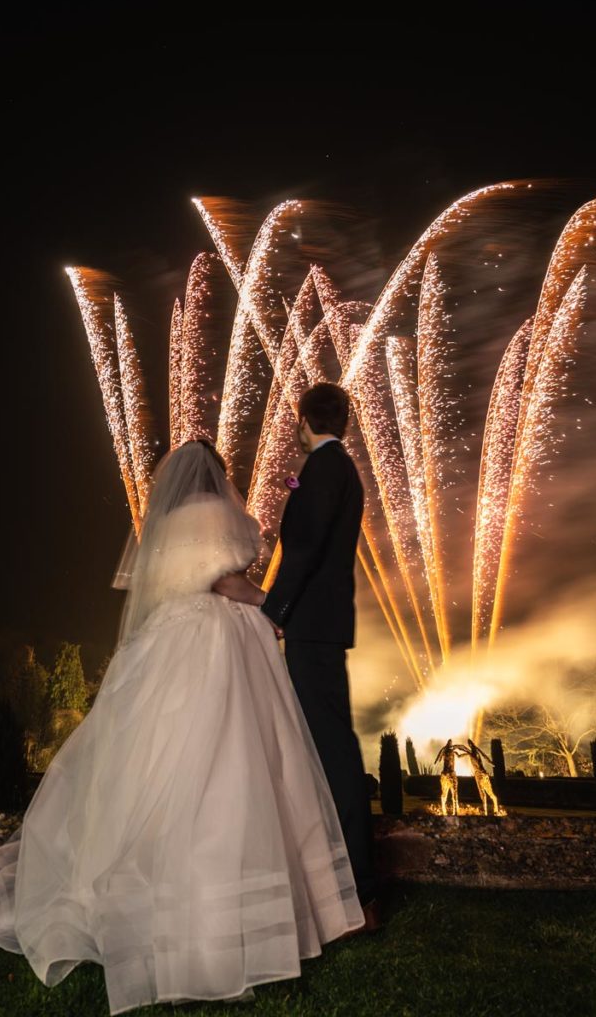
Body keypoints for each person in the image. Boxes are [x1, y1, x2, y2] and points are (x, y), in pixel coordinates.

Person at [0, 439, 365, 1014]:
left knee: (156, 760)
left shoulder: (162, 527)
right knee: (239, 763)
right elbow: (226, 584)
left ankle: (149, 904)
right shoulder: (221, 517)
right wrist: (273, 609)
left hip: (167, 639)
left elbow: (166, 585)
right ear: (217, 479)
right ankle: (240, 921)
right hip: (219, 642)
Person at [213, 383, 381, 933]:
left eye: (296, 419)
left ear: (306, 419)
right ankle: (343, 881)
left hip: (312, 625)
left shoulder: (322, 470)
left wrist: (275, 608)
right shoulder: (339, 468)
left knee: (331, 749)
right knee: (326, 743)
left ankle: (359, 891)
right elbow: (312, 528)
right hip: (326, 624)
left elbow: (304, 547)